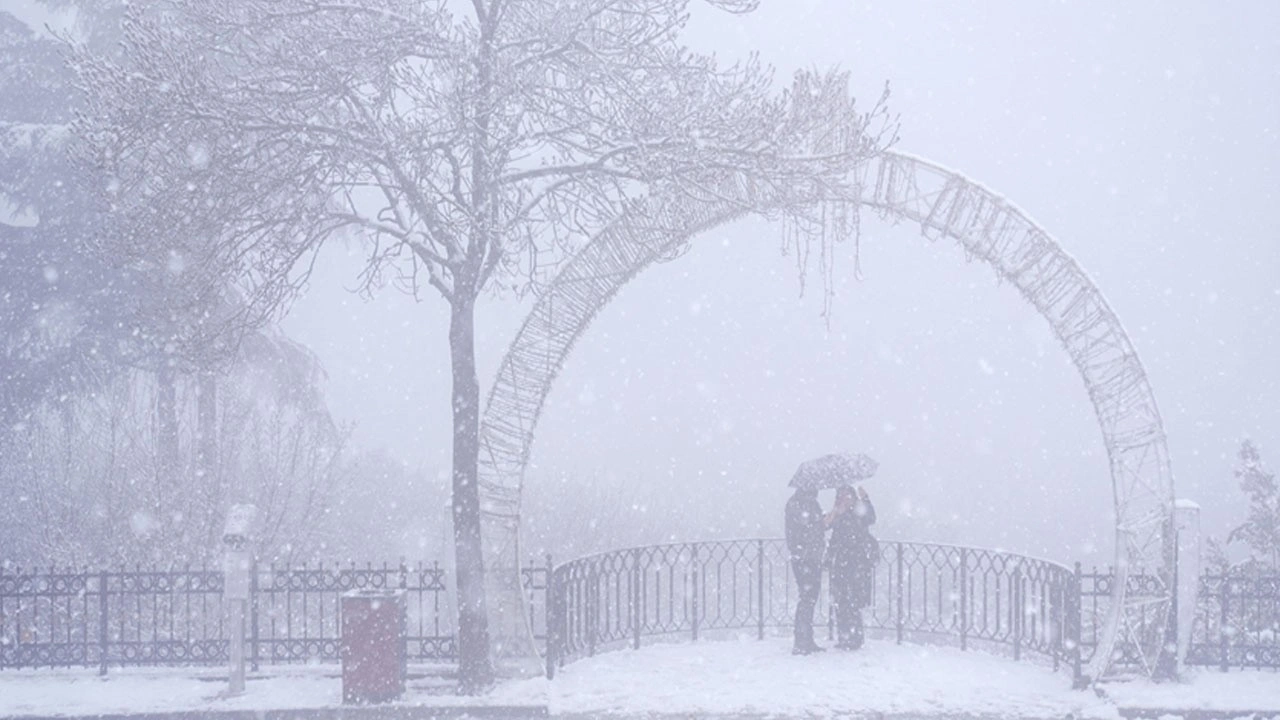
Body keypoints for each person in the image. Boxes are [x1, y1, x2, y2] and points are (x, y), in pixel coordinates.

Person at [827, 484, 877, 649]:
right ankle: (845, 637)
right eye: (841, 496)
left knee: (853, 601)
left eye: (847, 496)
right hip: (843, 563)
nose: (845, 499)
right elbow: (832, 535)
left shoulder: (858, 511)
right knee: (842, 601)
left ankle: (854, 638)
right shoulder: (840, 514)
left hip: (857, 563)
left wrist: (866, 499)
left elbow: (871, 518)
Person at [785, 485, 828, 655]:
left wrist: (824, 520)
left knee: (809, 597)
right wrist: (822, 521)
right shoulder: (798, 504)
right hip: (804, 557)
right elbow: (807, 527)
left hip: (811, 556)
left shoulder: (809, 503)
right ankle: (802, 641)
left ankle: (806, 639)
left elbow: (814, 525)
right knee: (807, 597)